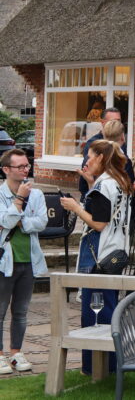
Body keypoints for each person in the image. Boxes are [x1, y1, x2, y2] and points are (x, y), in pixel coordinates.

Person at [61, 139, 133, 375]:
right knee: (109, 309)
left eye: (90, 156)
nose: (87, 161)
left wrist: (76, 207)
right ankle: (110, 365)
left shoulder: (105, 185)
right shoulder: (119, 181)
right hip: (115, 253)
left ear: (101, 158)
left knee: (95, 313)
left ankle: (95, 368)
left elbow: (100, 223)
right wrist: (92, 183)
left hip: (98, 257)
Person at [0, 149, 47, 375]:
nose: (25, 170)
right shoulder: (1, 194)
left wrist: (19, 221)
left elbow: (42, 223)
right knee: (0, 310)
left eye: (27, 165)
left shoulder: (36, 194)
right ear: (6, 169)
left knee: (21, 311)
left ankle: (16, 353)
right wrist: (19, 200)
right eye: (20, 167)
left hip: (29, 259)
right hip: (4, 261)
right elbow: (6, 221)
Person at [79, 107, 133, 194]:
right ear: (102, 122)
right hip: (97, 194)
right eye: (113, 122)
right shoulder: (94, 145)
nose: (117, 125)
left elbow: (125, 170)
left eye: (119, 122)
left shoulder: (121, 145)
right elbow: (88, 176)